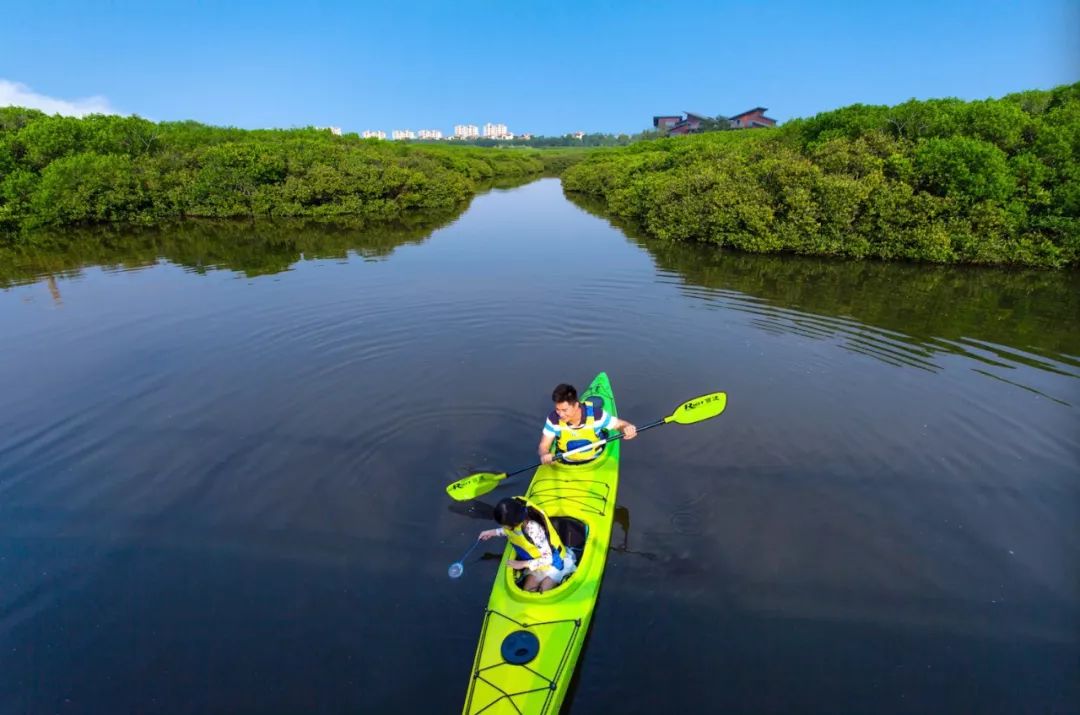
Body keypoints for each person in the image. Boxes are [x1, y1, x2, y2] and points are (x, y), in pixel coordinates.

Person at [479, 496, 576, 592]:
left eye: (504, 525)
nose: (503, 527)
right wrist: (491, 532)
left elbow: (548, 558)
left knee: (543, 591)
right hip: (537, 563)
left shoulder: (533, 529)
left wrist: (522, 564)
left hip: (554, 563)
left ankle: (563, 577)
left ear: (514, 523)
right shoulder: (515, 520)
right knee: (528, 590)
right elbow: (510, 531)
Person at [538, 383, 637, 465]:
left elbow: (620, 425)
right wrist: (545, 454)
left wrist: (627, 428)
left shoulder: (596, 415)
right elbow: (544, 445)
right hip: (565, 462)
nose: (560, 414)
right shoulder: (553, 419)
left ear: (576, 405)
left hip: (596, 460)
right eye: (557, 409)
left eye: (564, 410)